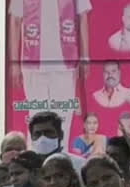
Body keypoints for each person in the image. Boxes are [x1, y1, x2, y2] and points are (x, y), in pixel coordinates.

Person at [8, 0, 92, 144]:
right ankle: (35, 161)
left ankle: (61, 162)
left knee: (63, 118)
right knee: (36, 118)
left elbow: (82, 17)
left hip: (65, 63)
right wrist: (14, 62)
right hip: (33, 62)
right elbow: (15, 20)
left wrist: (85, 56)